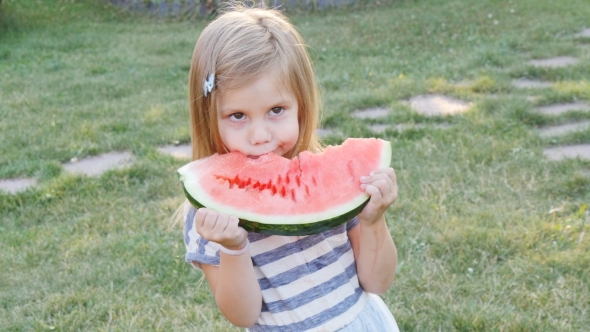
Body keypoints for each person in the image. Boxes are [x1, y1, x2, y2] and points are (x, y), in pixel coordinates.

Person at [180, 6, 400, 331]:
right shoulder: (209, 219)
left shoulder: (337, 184)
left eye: (276, 110)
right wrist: (234, 248)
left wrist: (373, 222)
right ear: (208, 117)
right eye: (237, 116)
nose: (260, 136)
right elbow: (242, 315)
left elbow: (377, 282)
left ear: (302, 106)